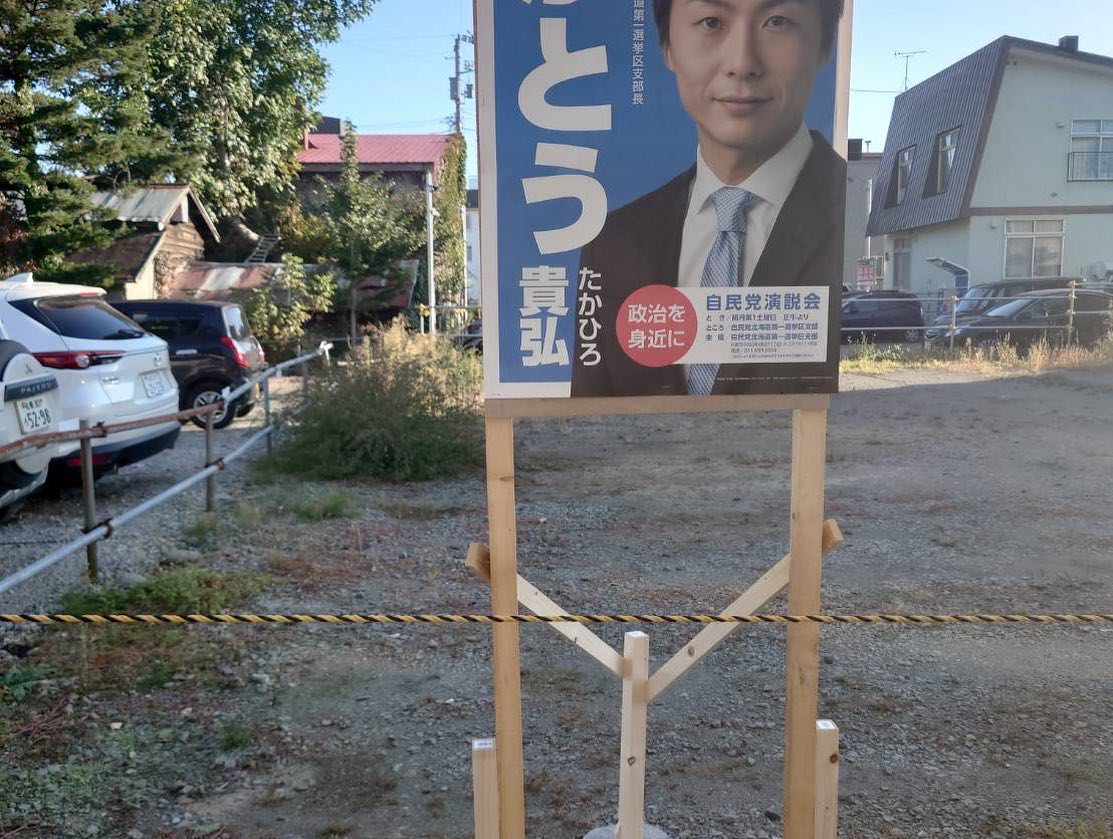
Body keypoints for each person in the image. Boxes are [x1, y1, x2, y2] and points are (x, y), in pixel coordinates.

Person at [571, 0, 847, 397]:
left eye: (777, 21)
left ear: (824, 44)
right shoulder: (613, 242)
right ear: (668, 47)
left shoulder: (850, 213)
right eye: (711, 22)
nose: (742, 63)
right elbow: (587, 419)